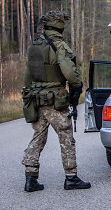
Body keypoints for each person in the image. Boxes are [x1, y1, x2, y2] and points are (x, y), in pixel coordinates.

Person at [22, 10, 91, 192]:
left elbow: (28, 76)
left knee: (38, 138)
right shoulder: (59, 46)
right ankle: (71, 177)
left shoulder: (34, 47)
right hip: (55, 99)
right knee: (66, 136)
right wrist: (77, 85)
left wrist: (30, 94)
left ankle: (30, 178)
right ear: (60, 27)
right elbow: (69, 72)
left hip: (36, 99)